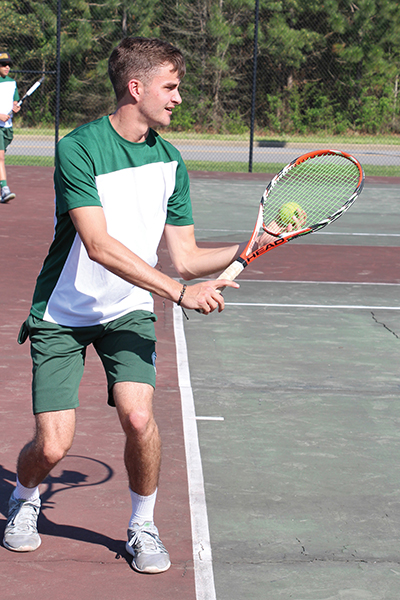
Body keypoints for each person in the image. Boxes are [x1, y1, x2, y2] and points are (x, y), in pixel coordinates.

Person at [2, 37, 280, 574]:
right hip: (62, 313)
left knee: (137, 415)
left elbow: (188, 257)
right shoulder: (79, 148)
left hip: (128, 310)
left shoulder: (171, 161)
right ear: (136, 87)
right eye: (170, 87)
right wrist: (178, 293)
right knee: (53, 446)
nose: (179, 97)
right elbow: (100, 246)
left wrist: (253, 242)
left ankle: (142, 523)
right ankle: (25, 499)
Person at [0, 52, 20, 203]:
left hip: (8, 127)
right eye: (3, 64)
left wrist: (15, 106)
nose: (7, 67)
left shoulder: (12, 83)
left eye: (9, 64)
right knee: (0, 157)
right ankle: (5, 189)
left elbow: (15, 101)